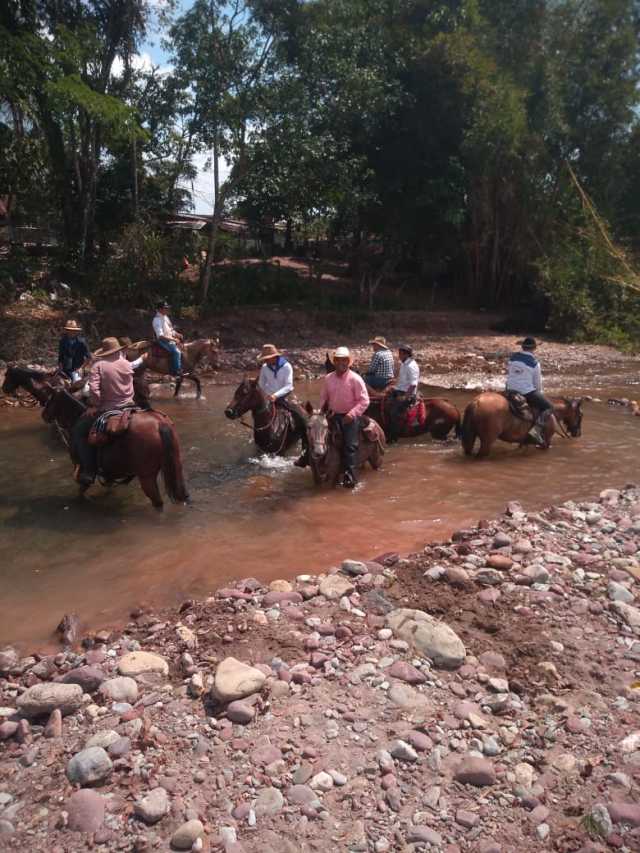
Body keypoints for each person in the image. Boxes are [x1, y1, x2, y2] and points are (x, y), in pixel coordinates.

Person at [72, 337, 146, 486]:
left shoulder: (98, 365)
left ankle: (89, 471)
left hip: (109, 408)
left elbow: (94, 389)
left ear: (104, 351)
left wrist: (95, 405)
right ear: (118, 349)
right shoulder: (126, 363)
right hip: (130, 406)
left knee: (78, 431)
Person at [320, 346, 370, 488]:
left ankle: (351, 477)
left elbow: (364, 400)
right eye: (338, 360)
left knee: (350, 445)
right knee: (316, 436)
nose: (341, 363)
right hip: (332, 415)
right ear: (334, 362)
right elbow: (324, 397)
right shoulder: (328, 378)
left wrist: (352, 414)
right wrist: (322, 411)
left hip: (350, 416)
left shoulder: (356, 379)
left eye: (344, 360)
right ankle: (312, 462)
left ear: (348, 362)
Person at [256, 343, 309, 465]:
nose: (266, 361)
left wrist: (276, 395)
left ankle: (306, 449)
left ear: (274, 357)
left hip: (285, 396)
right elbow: (261, 384)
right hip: (269, 397)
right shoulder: (264, 367)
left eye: (267, 359)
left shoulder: (286, 366)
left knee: (302, 417)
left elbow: (288, 386)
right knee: (259, 415)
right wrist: (266, 396)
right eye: (265, 359)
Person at [505, 336, 553, 447]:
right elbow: (537, 384)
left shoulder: (513, 357)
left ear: (522, 347)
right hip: (526, 391)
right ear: (534, 349)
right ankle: (535, 432)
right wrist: (539, 394)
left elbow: (511, 373)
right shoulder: (535, 363)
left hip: (510, 389)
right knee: (549, 407)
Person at [388, 344, 420, 441]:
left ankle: (394, 436)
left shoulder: (411, 366)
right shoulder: (404, 364)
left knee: (394, 412)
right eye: (399, 353)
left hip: (408, 394)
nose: (399, 356)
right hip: (400, 390)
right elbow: (403, 380)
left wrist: (405, 397)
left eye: (401, 354)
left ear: (407, 354)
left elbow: (413, 384)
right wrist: (394, 384)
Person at [152, 301, 182, 376]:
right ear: (159, 309)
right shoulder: (157, 320)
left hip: (169, 339)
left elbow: (171, 330)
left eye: (167, 308)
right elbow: (160, 335)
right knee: (176, 352)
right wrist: (173, 339)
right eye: (165, 308)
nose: (167, 310)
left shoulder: (166, 317)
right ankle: (176, 372)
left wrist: (177, 334)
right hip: (162, 340)